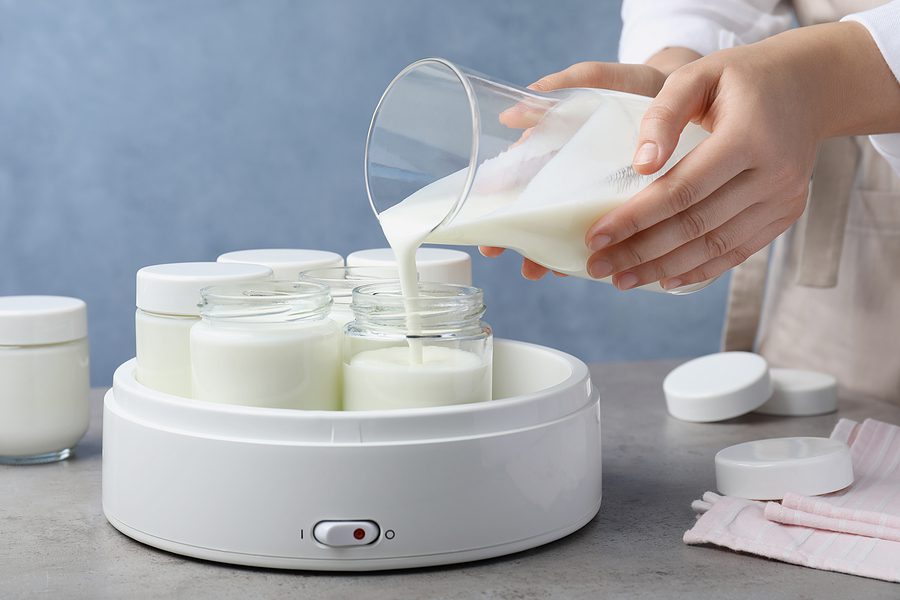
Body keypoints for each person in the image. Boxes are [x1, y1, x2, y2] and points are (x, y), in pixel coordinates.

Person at [482, 0, 900, 404]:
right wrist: (676, 77)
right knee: (843, 435)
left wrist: (819, 82)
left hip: (827, 107)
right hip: (850, 277)